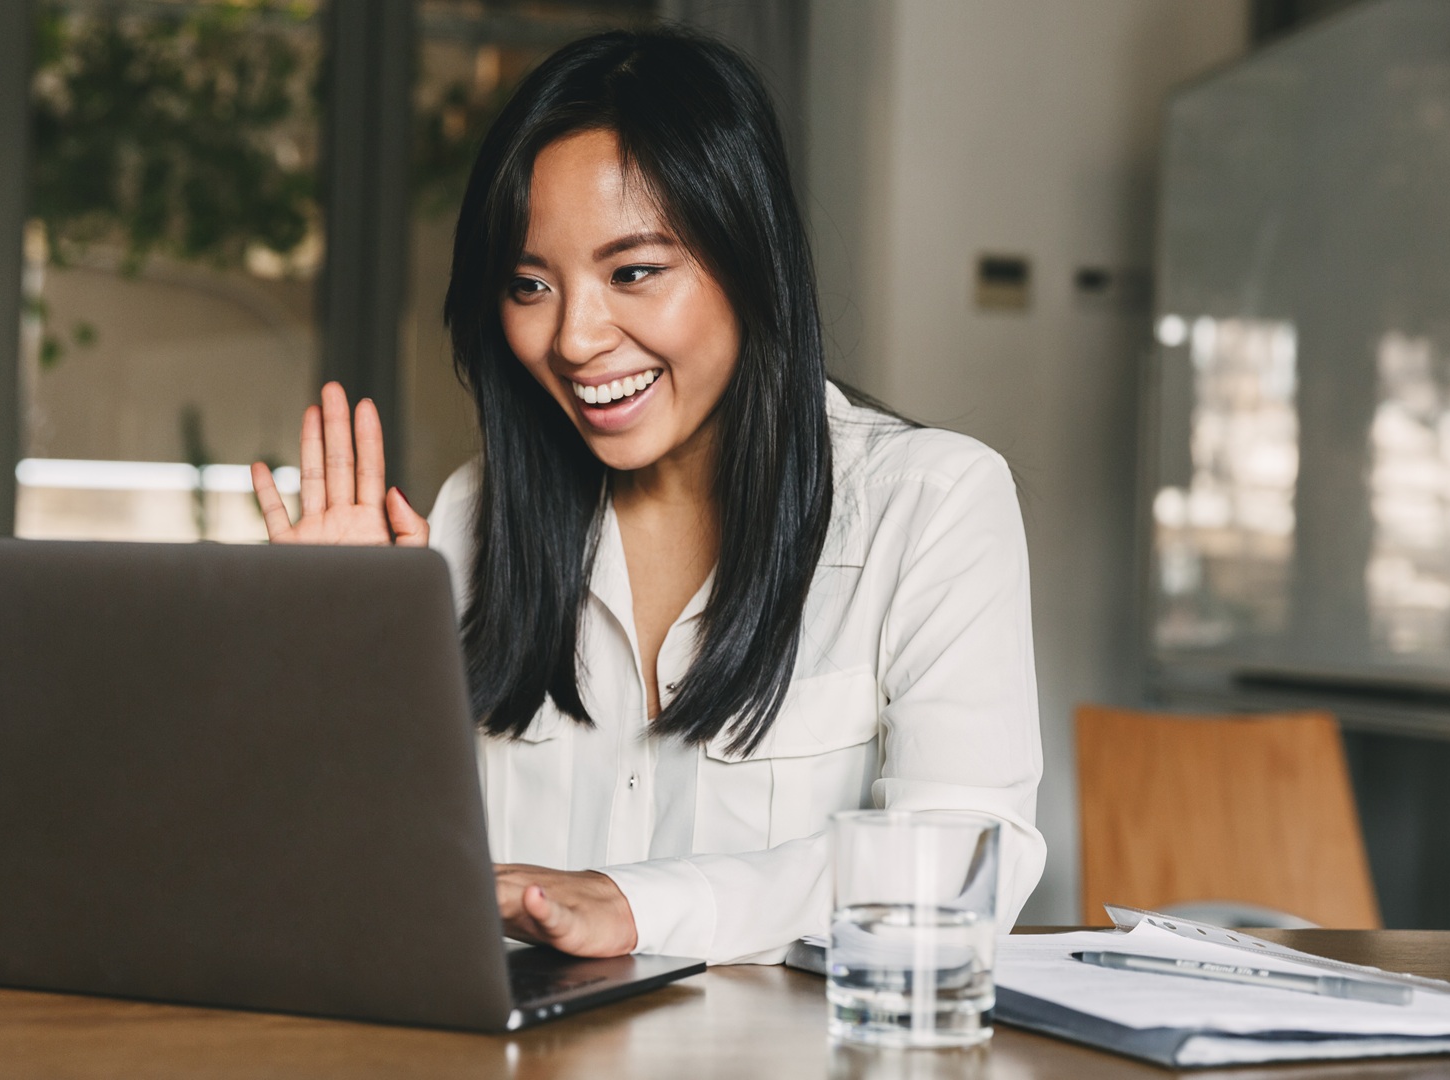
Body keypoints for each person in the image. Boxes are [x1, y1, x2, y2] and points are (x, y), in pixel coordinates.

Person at [249, 27, 1044, 966]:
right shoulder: (471, 518)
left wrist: (637, 906)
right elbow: (375, 886)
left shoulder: (933, 504)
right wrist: (340, 678)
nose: (577, 337)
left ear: (751, 264)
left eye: (633, 272)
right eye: (528, 284)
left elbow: (961, 865)